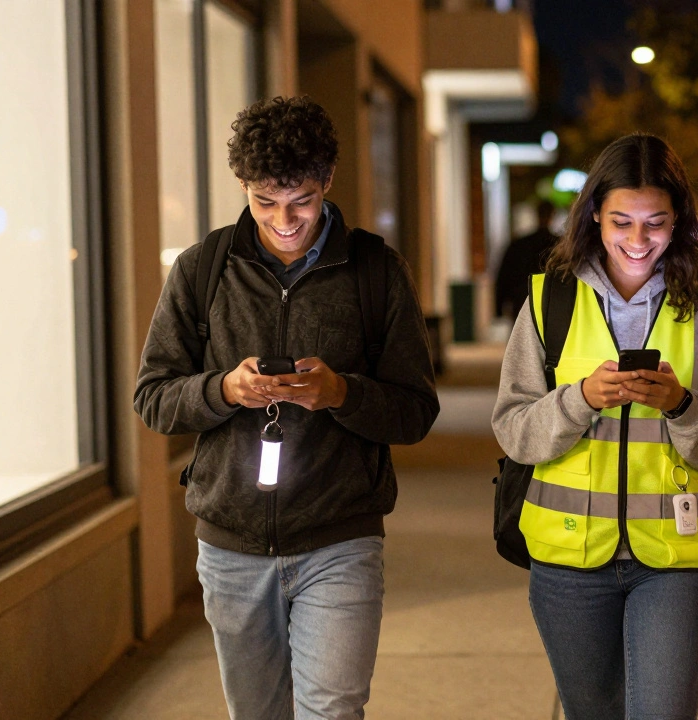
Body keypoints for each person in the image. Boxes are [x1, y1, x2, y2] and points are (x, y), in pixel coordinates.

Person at [134, 96, 439, 720]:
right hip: (231, 546)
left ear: (327, 181)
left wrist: (341, 393)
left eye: (300, 200)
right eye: (264, 202)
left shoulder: (375, 271)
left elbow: (415, 410)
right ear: (243, 187)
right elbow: (153, 396)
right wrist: (223, 390)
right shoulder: (202, 270)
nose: (284, 220)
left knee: (331, 709)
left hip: (340, 538)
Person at [492, 133, 698, 720]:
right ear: (593, 214)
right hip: (567, 558)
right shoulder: (549, 300)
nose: (638, 241)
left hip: (675, 558)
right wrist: (580, 399)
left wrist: (682, 405)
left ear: (680, 220)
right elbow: (512, 430)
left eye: (656, 223)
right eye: (621, 222)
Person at [495, 199, 559, 321]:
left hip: (522, 301)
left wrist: (499, 307)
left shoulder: (519, 245)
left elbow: (504, 277)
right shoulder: (559, 245)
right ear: (552, 215)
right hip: (551, 303)